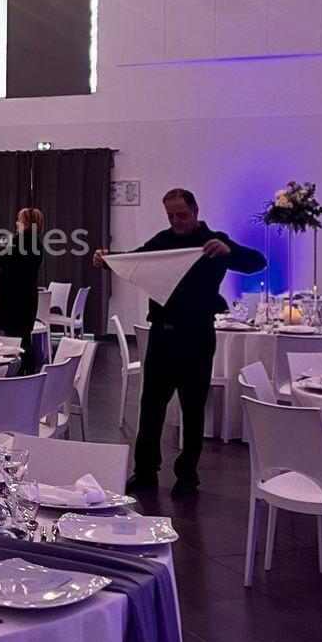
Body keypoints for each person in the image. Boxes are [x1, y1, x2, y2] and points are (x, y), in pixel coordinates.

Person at [93, 188, 265, 497]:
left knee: (193, 406)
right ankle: (145, 470)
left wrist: (230, 251)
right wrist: (106, 260)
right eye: (171, 216)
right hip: (162, 333)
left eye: (181, 215)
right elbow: (135, 261)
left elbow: (257, 262)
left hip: (197, 335)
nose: (176, 221)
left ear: (196, 211)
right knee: (151, 405)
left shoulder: (215, 241)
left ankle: (188, 474)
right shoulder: (164, 241)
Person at [0, 207, 43, 374]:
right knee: (24, 338)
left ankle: (19, 375)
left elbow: (0, 262)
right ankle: (30, 376)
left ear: (27, 224)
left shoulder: (21, 242)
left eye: (20, 220)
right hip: (27, 298)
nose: (17, 223)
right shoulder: (37, 243)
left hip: (14, 300)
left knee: (17, 342)